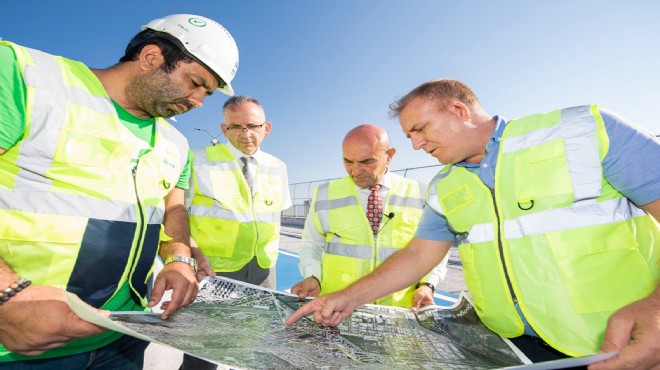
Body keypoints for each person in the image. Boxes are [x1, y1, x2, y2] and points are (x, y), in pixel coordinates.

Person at [286, 79, 660, 370]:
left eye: (421, 128)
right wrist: (345, 297)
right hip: (506, 348)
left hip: (616, 344)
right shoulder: (445, 186)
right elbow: (418, 254)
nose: (416, 145)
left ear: (459, 109)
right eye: (409, 136)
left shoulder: (583, 132)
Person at [0, 13, 240, 369]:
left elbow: (172, 210)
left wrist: (178, 258)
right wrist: (8, 297)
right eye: (195, 83)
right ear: (151, 58)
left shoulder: (176, 143)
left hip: (123, 336)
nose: (198, 101)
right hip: (23, 341)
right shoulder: (24, 75)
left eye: (206, 92)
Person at [182, 95, 291, 370]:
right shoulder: (198, 161)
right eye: (236, 127)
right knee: (204, 349)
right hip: (213, 271)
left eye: (252, 126)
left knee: (257, 342)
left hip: (263, 270)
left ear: (266, 128)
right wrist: (190, 253)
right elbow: (174, 214)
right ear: (223, 130)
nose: (245, 134)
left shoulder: (278, 168)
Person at [290, 124, 448, 309]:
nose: (355, 171)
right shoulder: (324, 194)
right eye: (348, 161)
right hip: (335, 308)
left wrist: (428, 284)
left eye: (366, 162)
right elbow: (312, 243)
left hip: (399, 311)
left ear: (390, 156)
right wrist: (312, 275)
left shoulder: (422, 193)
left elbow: (436, 247)